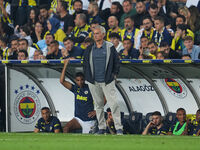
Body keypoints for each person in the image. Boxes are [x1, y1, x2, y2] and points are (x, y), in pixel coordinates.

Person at [83, 25, 123, 135]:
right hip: (93, 81)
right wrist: (88, 77)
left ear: (103, 34)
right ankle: (101, 128)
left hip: (107, 80)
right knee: (98, 105)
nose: (95, 36)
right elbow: (85, 64)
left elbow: (116, 62)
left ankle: (119, 128)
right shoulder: (89, 48)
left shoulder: (110, 47)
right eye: (94, 34)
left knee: (113, 104)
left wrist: (114, 75)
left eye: (97, 33)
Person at [60, 59, 96, 133]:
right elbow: (62, 81)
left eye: (82, 80)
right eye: (78, 80)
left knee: (88, 141)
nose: (80, 82)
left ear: (84, 79)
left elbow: (104, 97)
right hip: (78, 119)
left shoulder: (90, 88)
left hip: (89, 120)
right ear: (75, 81)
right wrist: (65, 65)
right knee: (66, 128)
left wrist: (96, 111)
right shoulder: (75, 88)